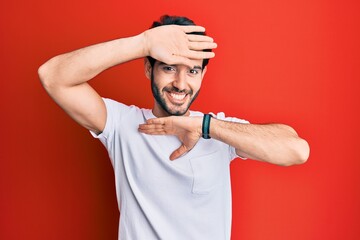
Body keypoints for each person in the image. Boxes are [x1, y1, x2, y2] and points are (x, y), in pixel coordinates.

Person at [38, 15, 309, 240]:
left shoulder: (216, 130)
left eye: (192, 71)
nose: (180, 83)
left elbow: (296, 150)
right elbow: (53, 76)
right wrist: (143, 42)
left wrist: (204, 126)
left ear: (202, 75)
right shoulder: (122, 125)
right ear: (148, 68)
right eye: (168, 68)